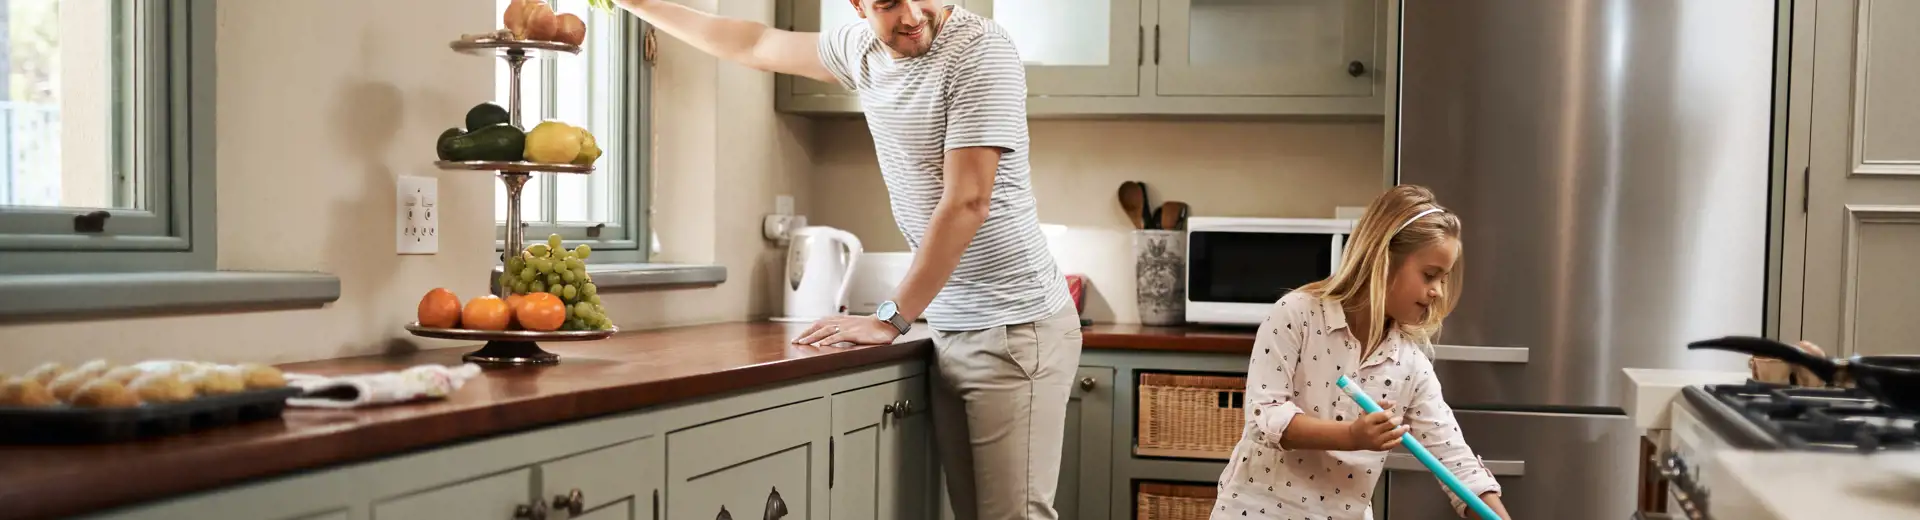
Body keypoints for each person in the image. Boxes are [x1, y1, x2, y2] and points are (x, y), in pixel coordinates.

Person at [608, 1, 1080, 519]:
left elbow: (968, 201)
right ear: (857, 5)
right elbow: (753, 43)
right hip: (951, 324)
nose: (912, 14)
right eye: (886, 3)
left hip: (1017, 326)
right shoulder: (860, 48)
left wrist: (890, 318)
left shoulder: (980, 51)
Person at [1211, 185, 1512, 520]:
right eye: (1430, 275)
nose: (1437, 291)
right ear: (1382, 259)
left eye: (1444, 278)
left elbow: (1457, 463)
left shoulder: (1410, 365)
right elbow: (1264, 418)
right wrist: (1352, 436)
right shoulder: (1296, 315)